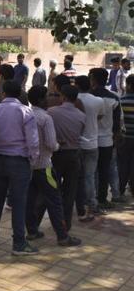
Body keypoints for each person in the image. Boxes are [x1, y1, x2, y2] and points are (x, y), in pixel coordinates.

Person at [0, 80, 39, 256]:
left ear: (3, 94)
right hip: (19, 161)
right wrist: (33, 159)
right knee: (19, 202)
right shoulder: (25, 111)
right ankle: (19, 243)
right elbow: (33, 141)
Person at [25, 85, 82, 247]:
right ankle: (62, 236)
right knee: (55, 201)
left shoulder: (25, 114)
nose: (51, 99)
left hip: (29, 166)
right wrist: (58, 144)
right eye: (48, 96)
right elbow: (51, 144)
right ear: (42, 99)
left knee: (30, 200)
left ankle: (32, 230)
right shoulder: (45, 118)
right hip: (44, 166)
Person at [47, 85, 86, 230]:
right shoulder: (82, 116)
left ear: (62, 97)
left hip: (56, 155)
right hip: (73, 155)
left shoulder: (51, 112)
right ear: (76, 99)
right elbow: (81, 133)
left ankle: (54, 221)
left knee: (52, 189)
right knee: (70, 192)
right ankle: (65, 224)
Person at [89, 68, 121, 211]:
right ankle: (102, 199)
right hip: (107, 141)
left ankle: (91, 199)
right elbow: (117, 123)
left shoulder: (87, 97)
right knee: (104, 171)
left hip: (90, 140)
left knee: (90, 173)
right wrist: (115, 140)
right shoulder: (114, 98)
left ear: (93, 79)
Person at [75, 75, 104, 222]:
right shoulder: (98, 101)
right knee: (89, 176)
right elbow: (100, 117)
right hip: (92, 142)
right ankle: (92, 203)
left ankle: (78, 204)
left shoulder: (73, 99)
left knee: (76, 176)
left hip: (77, 143)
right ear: (90, 85)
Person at [118, 75, 134, 196]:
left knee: (123, 163)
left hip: (124, 139)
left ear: (128, 85)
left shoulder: (121, 101)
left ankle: (121, 188)